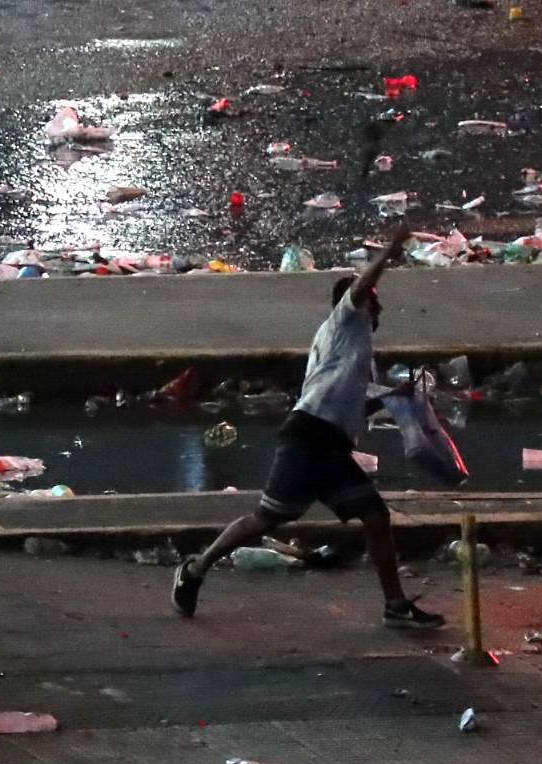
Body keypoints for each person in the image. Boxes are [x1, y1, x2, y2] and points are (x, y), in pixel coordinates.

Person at [172, 228, 444, 630]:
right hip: (307, 438)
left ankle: (395, 605)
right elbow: (362, 286)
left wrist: (390, 397)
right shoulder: (344, 322)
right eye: (375, 300)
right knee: (266, 518)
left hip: (329, 444)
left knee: (374, 515)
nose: (379, 307)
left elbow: (347, 406)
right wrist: (389, 251)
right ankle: (195, 568)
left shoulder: (353, 351)